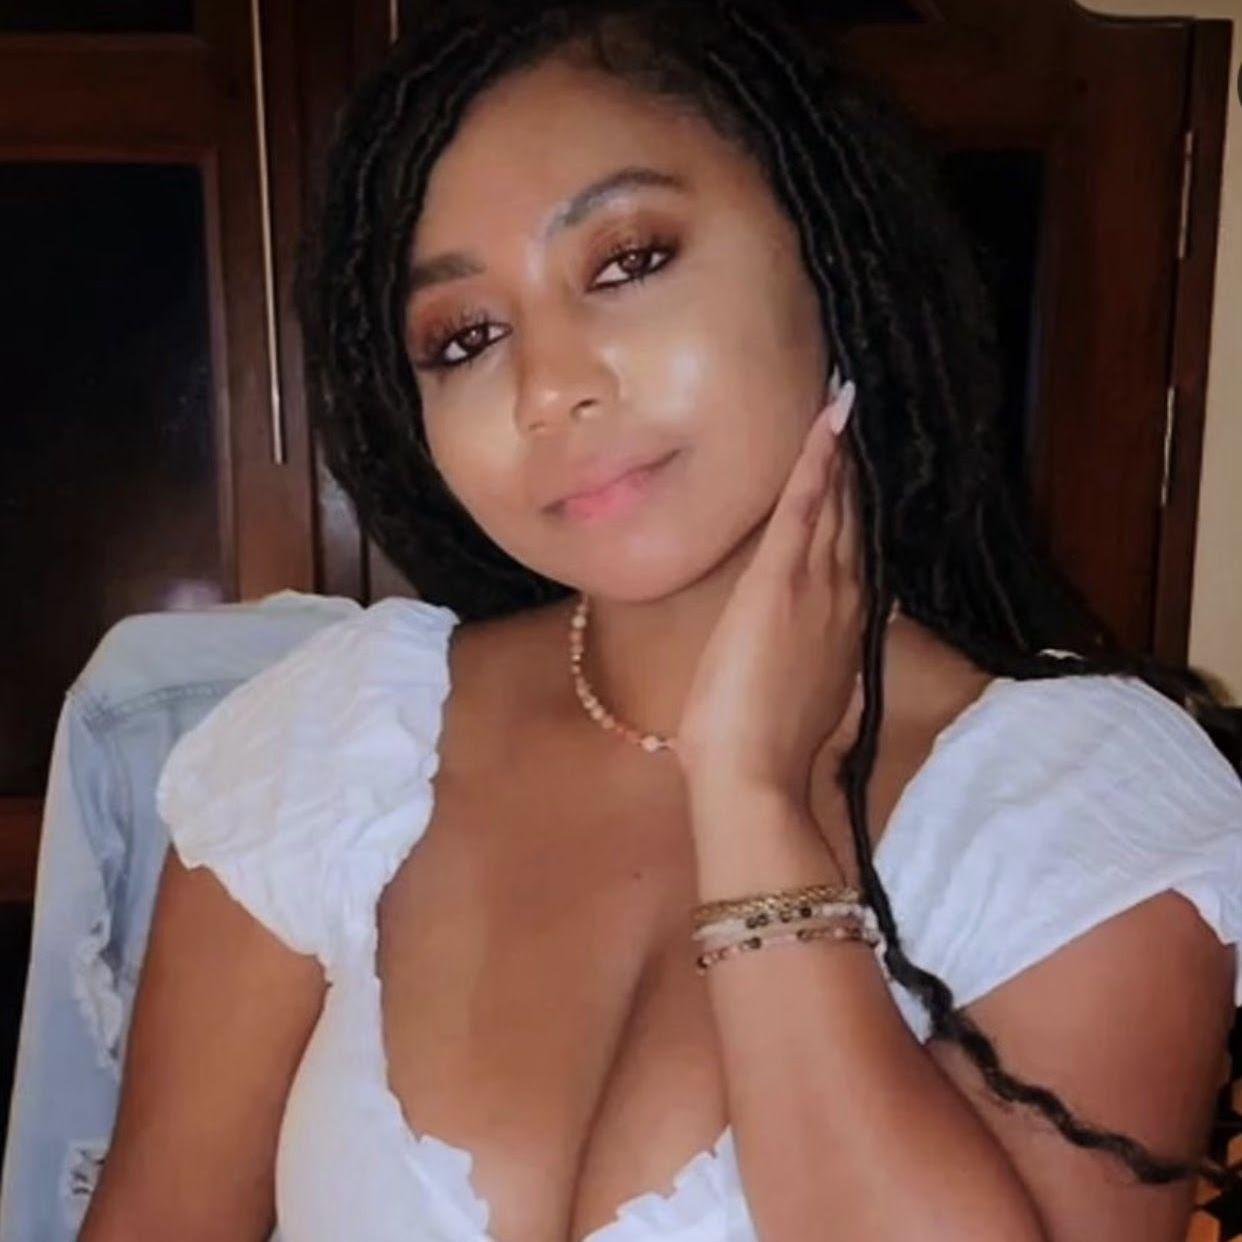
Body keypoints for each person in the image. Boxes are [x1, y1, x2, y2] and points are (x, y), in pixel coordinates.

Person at [79, 2, 1242, 1239]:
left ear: (829, 253)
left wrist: (752, 805)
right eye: (466, 338)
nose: (548, 388)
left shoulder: (1084, 809)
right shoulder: (331, 749)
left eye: (629, 262)